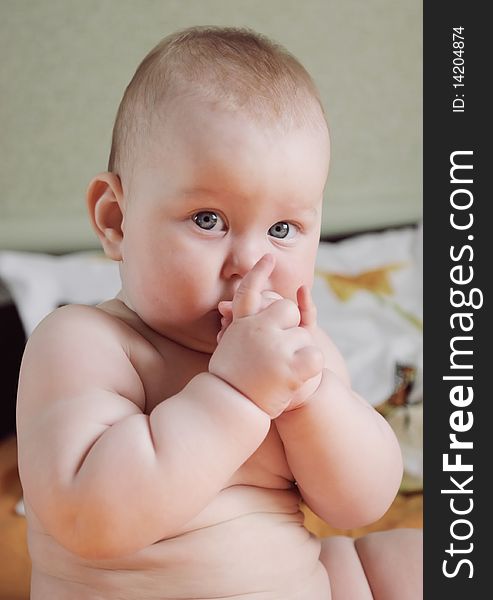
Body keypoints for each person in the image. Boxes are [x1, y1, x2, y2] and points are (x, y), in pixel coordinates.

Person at [16, 26, 422, 599]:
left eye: (283, 229)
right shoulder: (85, 342)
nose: (249, 263)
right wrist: (235, 395)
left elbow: (359, 503)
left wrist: (310, 400)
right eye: (209, 219)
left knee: (414, 560)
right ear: (116, 220)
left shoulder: (303, 359)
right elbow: (91, 518)